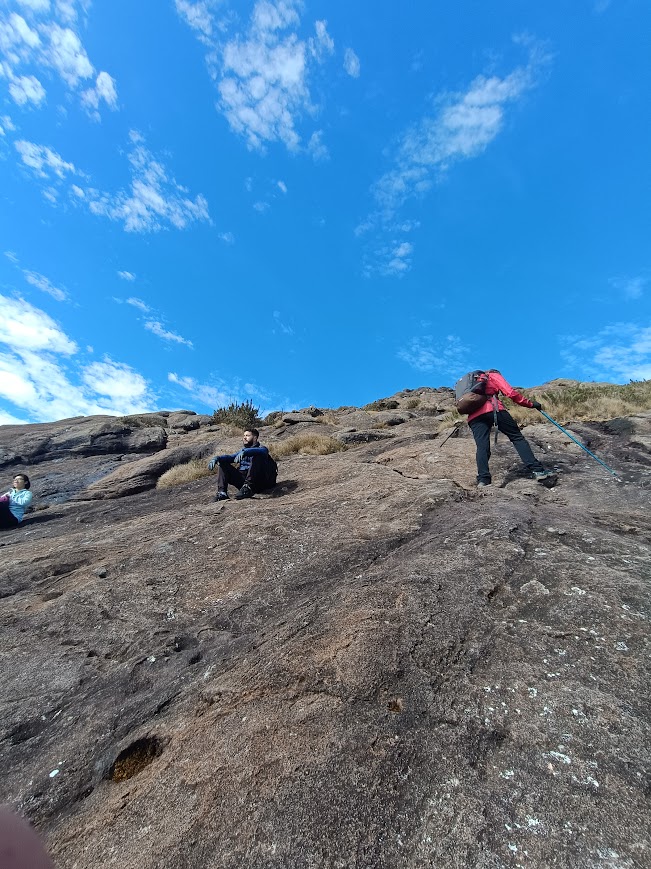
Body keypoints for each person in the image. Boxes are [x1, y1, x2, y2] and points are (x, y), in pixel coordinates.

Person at [466, 370, 552, 488]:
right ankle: (538, 470)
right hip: (494, 409)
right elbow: (510, 393)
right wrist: (530, 404)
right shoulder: (492, 375)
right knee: (516, 437)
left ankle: (483, 480)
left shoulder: (471, 381)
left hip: (473, 416)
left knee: (482, 447)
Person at [207, 428, 276, 501]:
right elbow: (231, 457)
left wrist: (246, 452)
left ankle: (248, 487)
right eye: (244, 435)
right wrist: (218, 458)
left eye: (247, 435)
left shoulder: (262, 449)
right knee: (223, 464)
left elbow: (263, 451)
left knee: (257, 456)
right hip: (243, 481)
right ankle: (222, 493)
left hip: (259, 482)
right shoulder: (242, 451)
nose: (244, 438)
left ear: (255, 438)